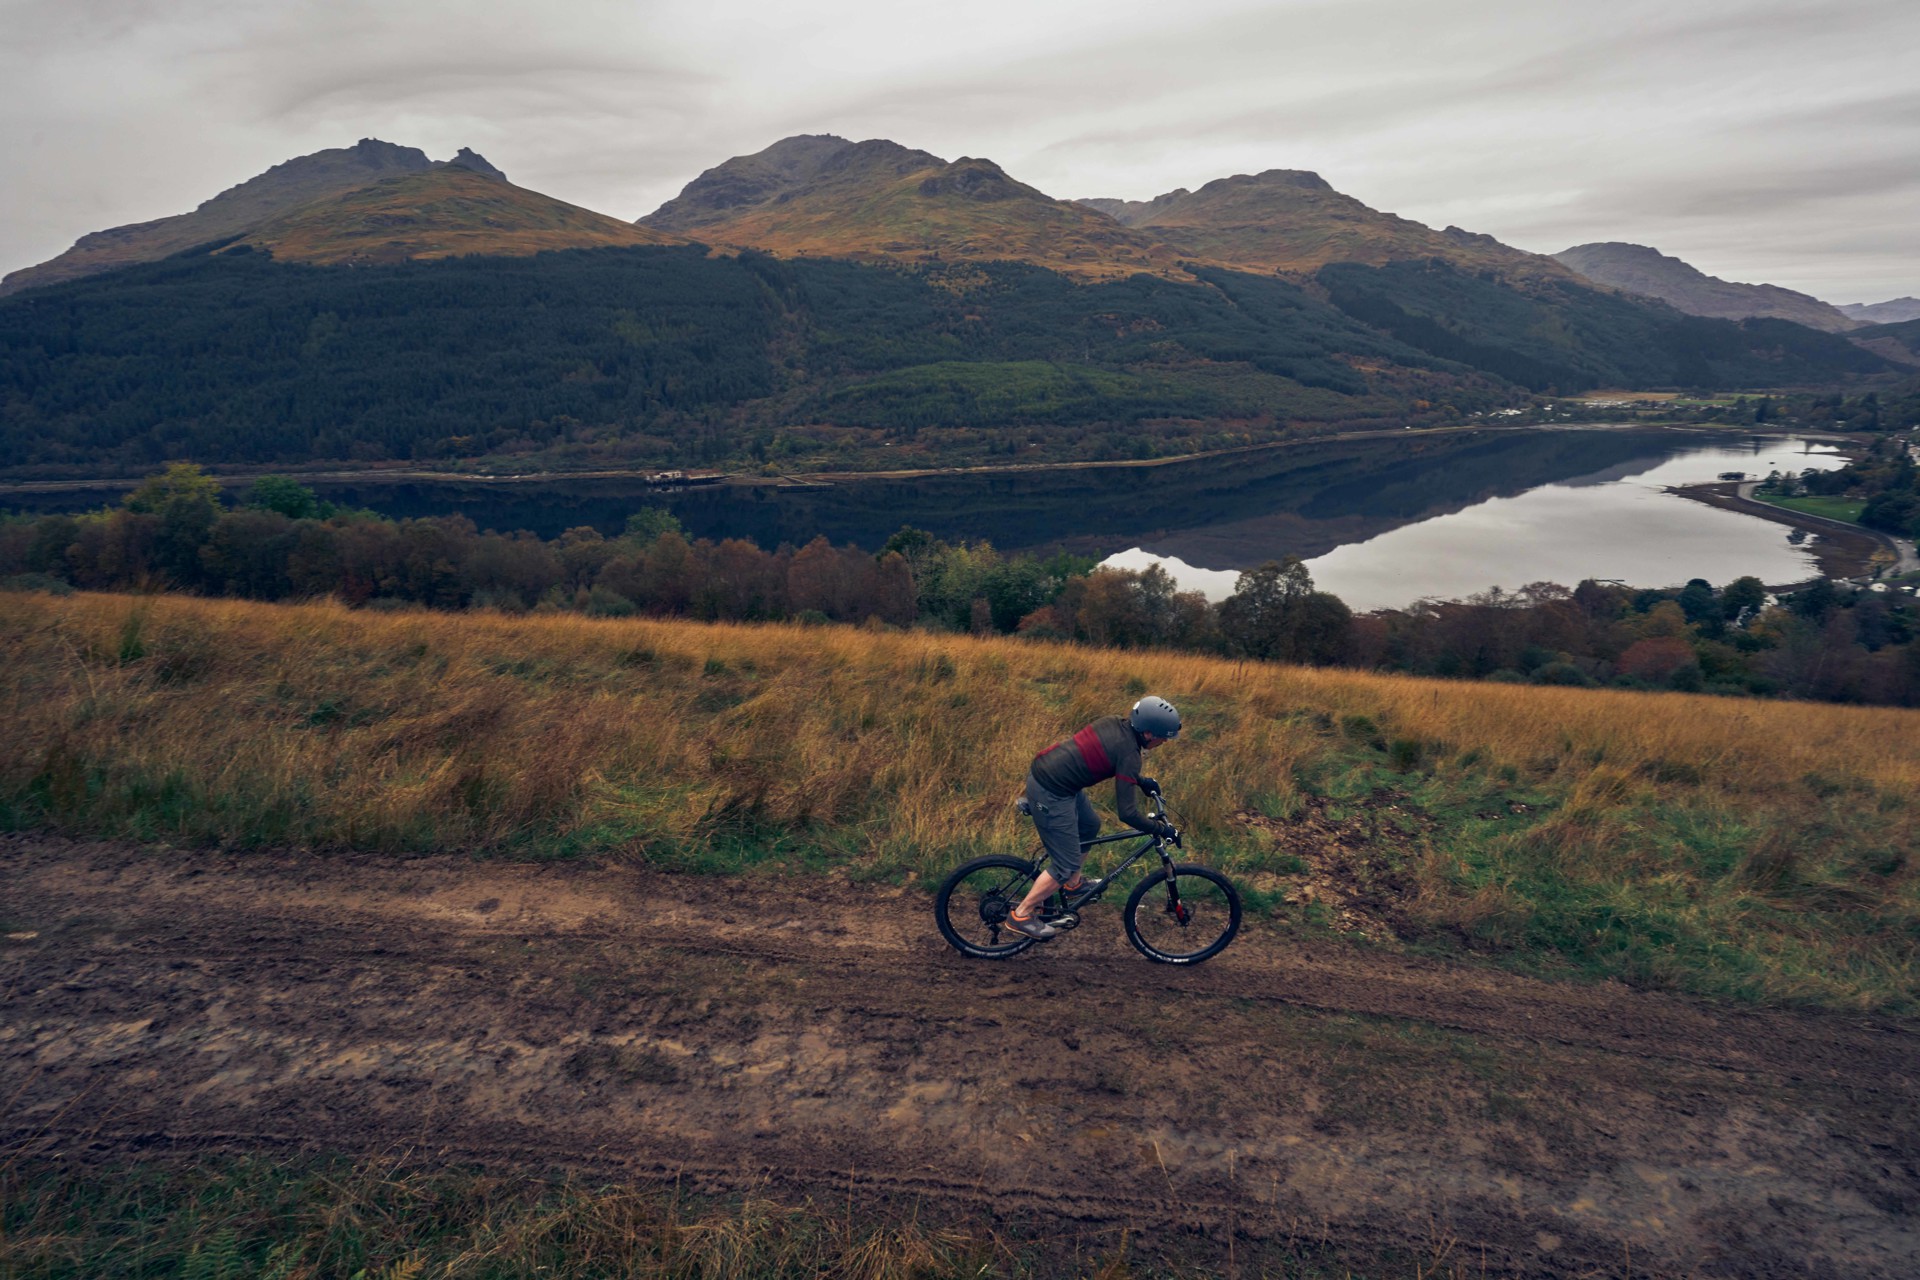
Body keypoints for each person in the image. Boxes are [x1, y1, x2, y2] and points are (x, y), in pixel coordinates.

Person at [1005, 695, 1181, 940]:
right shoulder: (1130, 755)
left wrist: (1141, 781)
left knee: (1089, 825)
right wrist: (1160, 830)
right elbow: (1127, 813)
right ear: (1149, 734)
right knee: (1064, 864)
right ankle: (1021, 915)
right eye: (1164, 736)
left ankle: (1072, 885)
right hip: (1050, 791)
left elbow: (1110, 760)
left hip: (1054, 777)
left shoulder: (1114, 724)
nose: (1165, 742)